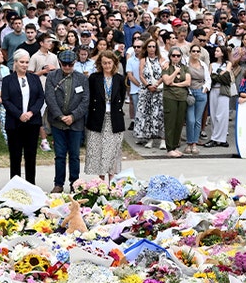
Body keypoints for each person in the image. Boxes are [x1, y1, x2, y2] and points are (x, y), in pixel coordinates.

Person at [45, 49, 89, 191]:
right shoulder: (52, 76)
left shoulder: (82, 78)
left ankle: (74, 183)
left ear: (74, 63)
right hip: (58, 122)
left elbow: (85, 100)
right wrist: (60, 116)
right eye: (64, 64)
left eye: (70, 64)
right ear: (59, 62)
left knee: (75, 155)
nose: (67, 67)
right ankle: (58, 184)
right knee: (60, 155)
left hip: (75, 123)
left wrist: (73, 116)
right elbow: (50, 98)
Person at [2, 50, 44, 184]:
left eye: (27, 62)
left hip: (32, 123)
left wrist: (31, 112)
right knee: (15, 156)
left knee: (31, 156)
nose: (25, 65)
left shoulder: (34, 78)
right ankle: (15, 185)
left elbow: (40, 97)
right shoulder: (7, 80)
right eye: (22, 62)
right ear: (15, 63)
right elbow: (6, 100)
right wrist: (19, 114)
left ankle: (31, 184)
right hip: (14, 123)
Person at [85, 50, 127, 182]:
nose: (107, 65)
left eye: (109, 63)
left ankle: (112, 180)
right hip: (98, 118)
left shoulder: (119, 79)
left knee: (112, 150)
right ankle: (101, 180)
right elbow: (90, 97)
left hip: (114, 118)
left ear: (114, 63)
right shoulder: (94, 78)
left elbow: (122, 95)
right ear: (100, 64)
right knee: (98, 150)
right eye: (104, 63)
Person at [136, 38, 165, 148]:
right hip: (146, 90)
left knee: (159, 115)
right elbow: (141, 75)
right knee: (148, 115)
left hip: (158, 91)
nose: (152, 49)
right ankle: (150, 139)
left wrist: (157, 84)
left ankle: (162, 139)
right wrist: (148, 86)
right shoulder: (143, 60)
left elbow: (164, 74)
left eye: (154, 46)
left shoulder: (161, 59)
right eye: (149, 46)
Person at [206, 44, 235, 148]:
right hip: (214, 90)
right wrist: (218, 75)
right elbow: (210, 78)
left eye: (218, 51)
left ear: (222, 53)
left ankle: (221, 138)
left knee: (222, 115)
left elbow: (226, 77)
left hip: (223, 90)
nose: (215, 52)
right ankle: (214, 137)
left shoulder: (228, 63)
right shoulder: (212, 64)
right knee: (213, 114)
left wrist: (216, 76)